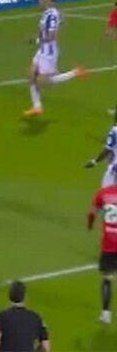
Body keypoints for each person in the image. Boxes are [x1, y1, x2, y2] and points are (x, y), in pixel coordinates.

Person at [23, 0, 87, 117]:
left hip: (49, 52)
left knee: (44, 82)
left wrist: (35, 40)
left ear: (47, 0)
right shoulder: (47, 13)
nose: (39, 2)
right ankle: (37, 107)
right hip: (42, 50)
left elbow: (51, 35)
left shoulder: (52, 15)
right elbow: (49, 29)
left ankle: (75, 72)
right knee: (31, 75)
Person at [0, 280, 50, 351]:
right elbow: (46, 347)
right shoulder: (36, 317)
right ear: (25, 297)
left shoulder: (0, 317)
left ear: (9, 296)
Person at [88, 182, 117, 324]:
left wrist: (90, 224)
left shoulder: (104, 193)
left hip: (109, 244)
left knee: (107, 277)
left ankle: (106, 313)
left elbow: (92, 212)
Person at [84, 109, 117, 188]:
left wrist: (95, 161)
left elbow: (107, 149)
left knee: (107, 192)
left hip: (114, 169)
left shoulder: (115, 131)